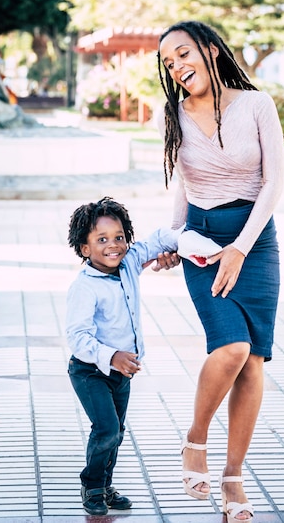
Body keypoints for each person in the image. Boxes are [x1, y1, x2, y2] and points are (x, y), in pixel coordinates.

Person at [157, 21, 284, 523]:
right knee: (230, 347)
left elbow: (274, 183)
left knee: (252, 361)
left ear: (210, 50)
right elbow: (182, 183)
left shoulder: (257, 105)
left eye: (184, 53)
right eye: (169, 63)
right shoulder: (173, 115)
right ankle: (195, 439)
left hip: (255, 242)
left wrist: (241, 249)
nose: (178, 67)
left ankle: (233, 478)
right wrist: (173, 237)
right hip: (202, 241)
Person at [66, 196, 180, 516]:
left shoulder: (128, 263)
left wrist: (184, 242)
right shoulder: (84, 287)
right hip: (90, 370)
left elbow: (157, 240)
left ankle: (106, 485)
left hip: (121, 372)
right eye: (101, 240)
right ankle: (92, 484)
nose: (113, 245)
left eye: (119, 237)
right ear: (85, 249)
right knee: (107, 429)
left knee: (117, 431)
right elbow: (77, 337)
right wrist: (112, 355)